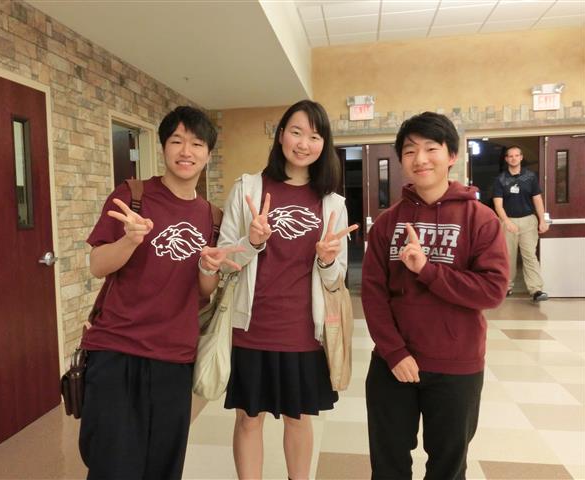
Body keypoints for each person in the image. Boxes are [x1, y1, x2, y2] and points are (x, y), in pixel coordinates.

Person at [79, 106, 240, 480]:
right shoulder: (132, 196)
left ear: (208, 154)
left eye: (196, 144)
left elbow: (203, 294)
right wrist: (130, 241)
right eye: (177, 141)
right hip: (117, 350)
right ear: (163, 147)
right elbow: (97, 265)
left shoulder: (212, 217)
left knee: (163, 467)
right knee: (111, 466)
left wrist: (208, 269)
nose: (186, 151)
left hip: (174, 357)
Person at [361, 112, 509, 480]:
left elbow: (492, 290)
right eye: (410, 151)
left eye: (431, 148)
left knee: (447, 468)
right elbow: (373, 295)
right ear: (401, 159)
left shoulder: (481, 219)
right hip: (393, 366)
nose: (421, 159)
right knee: (388, 466)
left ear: (452, 155)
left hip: (456, 367)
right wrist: (394, 352)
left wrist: (427, 270)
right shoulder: (387, 223)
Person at [217, 100, 358, 480]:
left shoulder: (332, 203)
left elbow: (336, 278)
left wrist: (326, 261)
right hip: (251, 326)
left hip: (304, 330)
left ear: (324, 144)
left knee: (298, 418)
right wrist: (252, 242)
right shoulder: (248, 188)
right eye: (296, 132)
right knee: (249, 418)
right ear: (281, 135)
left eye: (314, 136)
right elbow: (225, 260)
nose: (303, 143)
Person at [492, 145, 550, 301]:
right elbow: (498, 204)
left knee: (530, 255)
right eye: (510, 156)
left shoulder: (530, 177)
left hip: (528, 221)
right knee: (508, 256)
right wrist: (506, 221)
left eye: (516, 155)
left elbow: (537, 199)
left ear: (521, 157)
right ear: (506, 159)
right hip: (508, 221)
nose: (513, 158)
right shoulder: (500, 179)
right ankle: (506, 287)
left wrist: (542, 220)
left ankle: (536, 290)